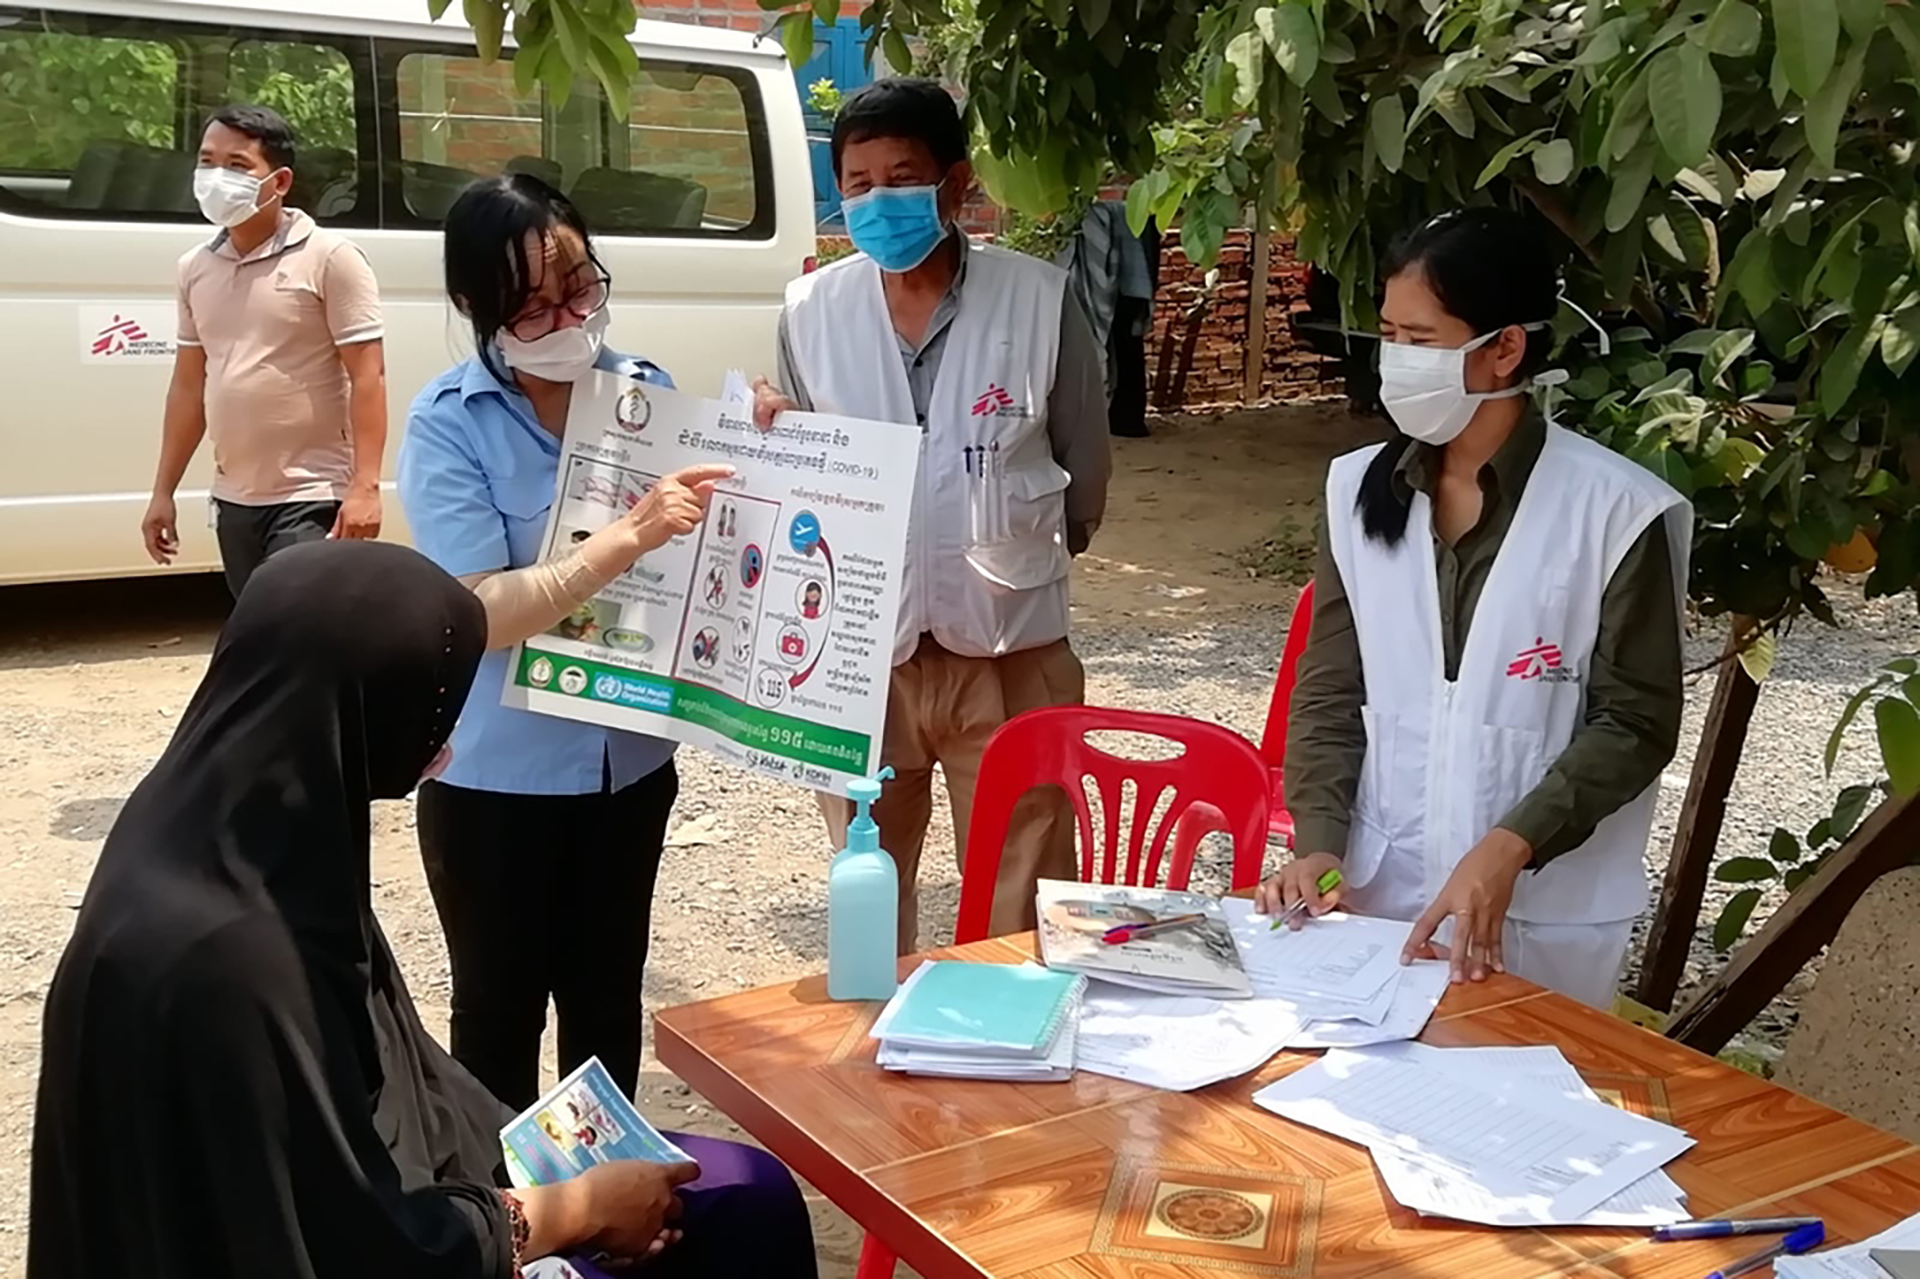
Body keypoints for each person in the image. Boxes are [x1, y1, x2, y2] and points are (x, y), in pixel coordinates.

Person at [28, 541, 818, 1279]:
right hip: (346, 1239)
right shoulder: (236, 956)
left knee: (747, 1190)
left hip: (387, 1197)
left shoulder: (237, 826)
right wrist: (573, 1209)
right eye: (436, 705)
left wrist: (532, 1145)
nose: (447, 737)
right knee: (740, 1219)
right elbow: (353, 1237)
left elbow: (390, 1073)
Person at [1257, 208, 1689, 1009]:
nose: (1396, 363)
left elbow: (1634, 718)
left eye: (1421, 341)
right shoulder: (1359, 491)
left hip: (1544, 918)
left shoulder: (1614, 511)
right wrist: (1316, 840)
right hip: (1381, 897)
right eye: (1388, 335)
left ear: (1505, 348)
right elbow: (1330, 688)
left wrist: (1512, 844)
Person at [753, 79, 1112, 954]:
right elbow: (798, 467)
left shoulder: (1036, 299)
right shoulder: (811, 312)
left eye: (901, 177)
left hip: (1010, 645)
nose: (878, 200)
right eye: (859, 181)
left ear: (955, 185)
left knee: (1020, 882)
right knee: (868, 887)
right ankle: (885, 1062)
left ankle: (1002, 1064)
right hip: (862, 653)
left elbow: (1084, 466)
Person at [398, 174, 730, 1111]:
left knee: (606, 1001)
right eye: (533, 304)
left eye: (581, 287)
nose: (566, 315)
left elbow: (718, 544)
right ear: (475, 307)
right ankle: (512, 1231)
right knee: (497, 1016)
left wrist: (771, 447)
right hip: (495, 780)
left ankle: (609, 1216)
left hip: (625, 765)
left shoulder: (648, 393)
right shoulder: (447, 422)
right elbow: (478, 611)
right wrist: (620, 541)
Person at [141, 105, 387, 596]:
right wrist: (162, 492)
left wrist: (366, 486)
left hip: (312, 495)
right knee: (258, 632)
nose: (216, 178)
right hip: (234, 499)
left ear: (278, 182)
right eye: (207, 162)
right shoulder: (194, 267)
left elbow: (369, 376)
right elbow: (190, 386)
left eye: (237, 166)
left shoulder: (331, 258)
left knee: (297, 628)